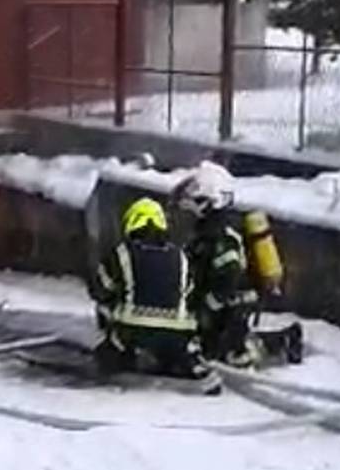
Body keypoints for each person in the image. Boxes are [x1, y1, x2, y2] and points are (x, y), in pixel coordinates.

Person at [173, 162, 303, 368]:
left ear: (207, 203)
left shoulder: (220, 237)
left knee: (223, 352)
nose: (188, 212)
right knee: (212, 343)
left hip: (232, 303)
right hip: (226, 303)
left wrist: (205, 308)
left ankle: (281, 341)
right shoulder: (207, 234)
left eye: (192, 205)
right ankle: (274, 340)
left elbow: (228, 276)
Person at [88, 197, 218, 393]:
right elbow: (190, 291)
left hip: (133, 331)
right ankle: (186, 364)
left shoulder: (122, 253)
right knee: (177, 353)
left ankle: (119, 359)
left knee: (106, 354)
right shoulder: (181, 256)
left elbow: (101, 288)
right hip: (178, 332)